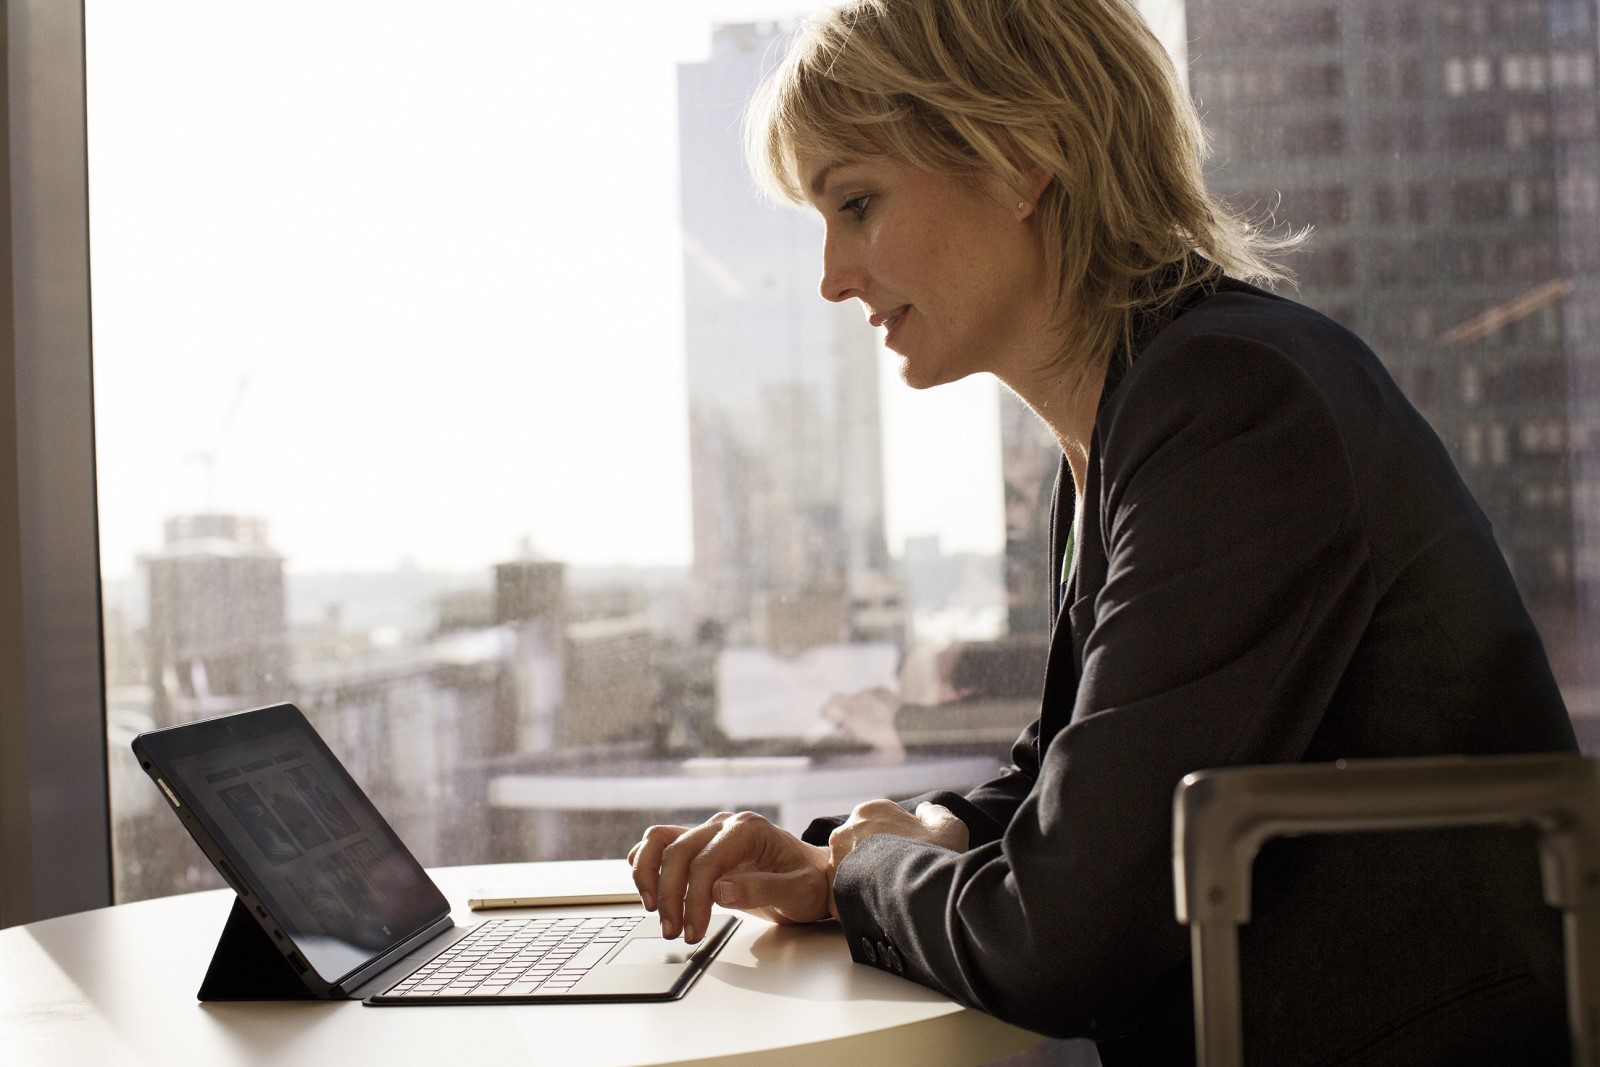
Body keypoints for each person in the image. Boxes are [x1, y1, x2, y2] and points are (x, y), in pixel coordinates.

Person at [629, 0, 1580, 1062]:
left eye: (857, 201)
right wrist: (902, 839)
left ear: (1021, 155)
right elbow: (1095, 763)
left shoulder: (1230, 400)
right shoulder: (1123, 426)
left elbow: (1059, 932)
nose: (830, 276)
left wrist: (860, 876)